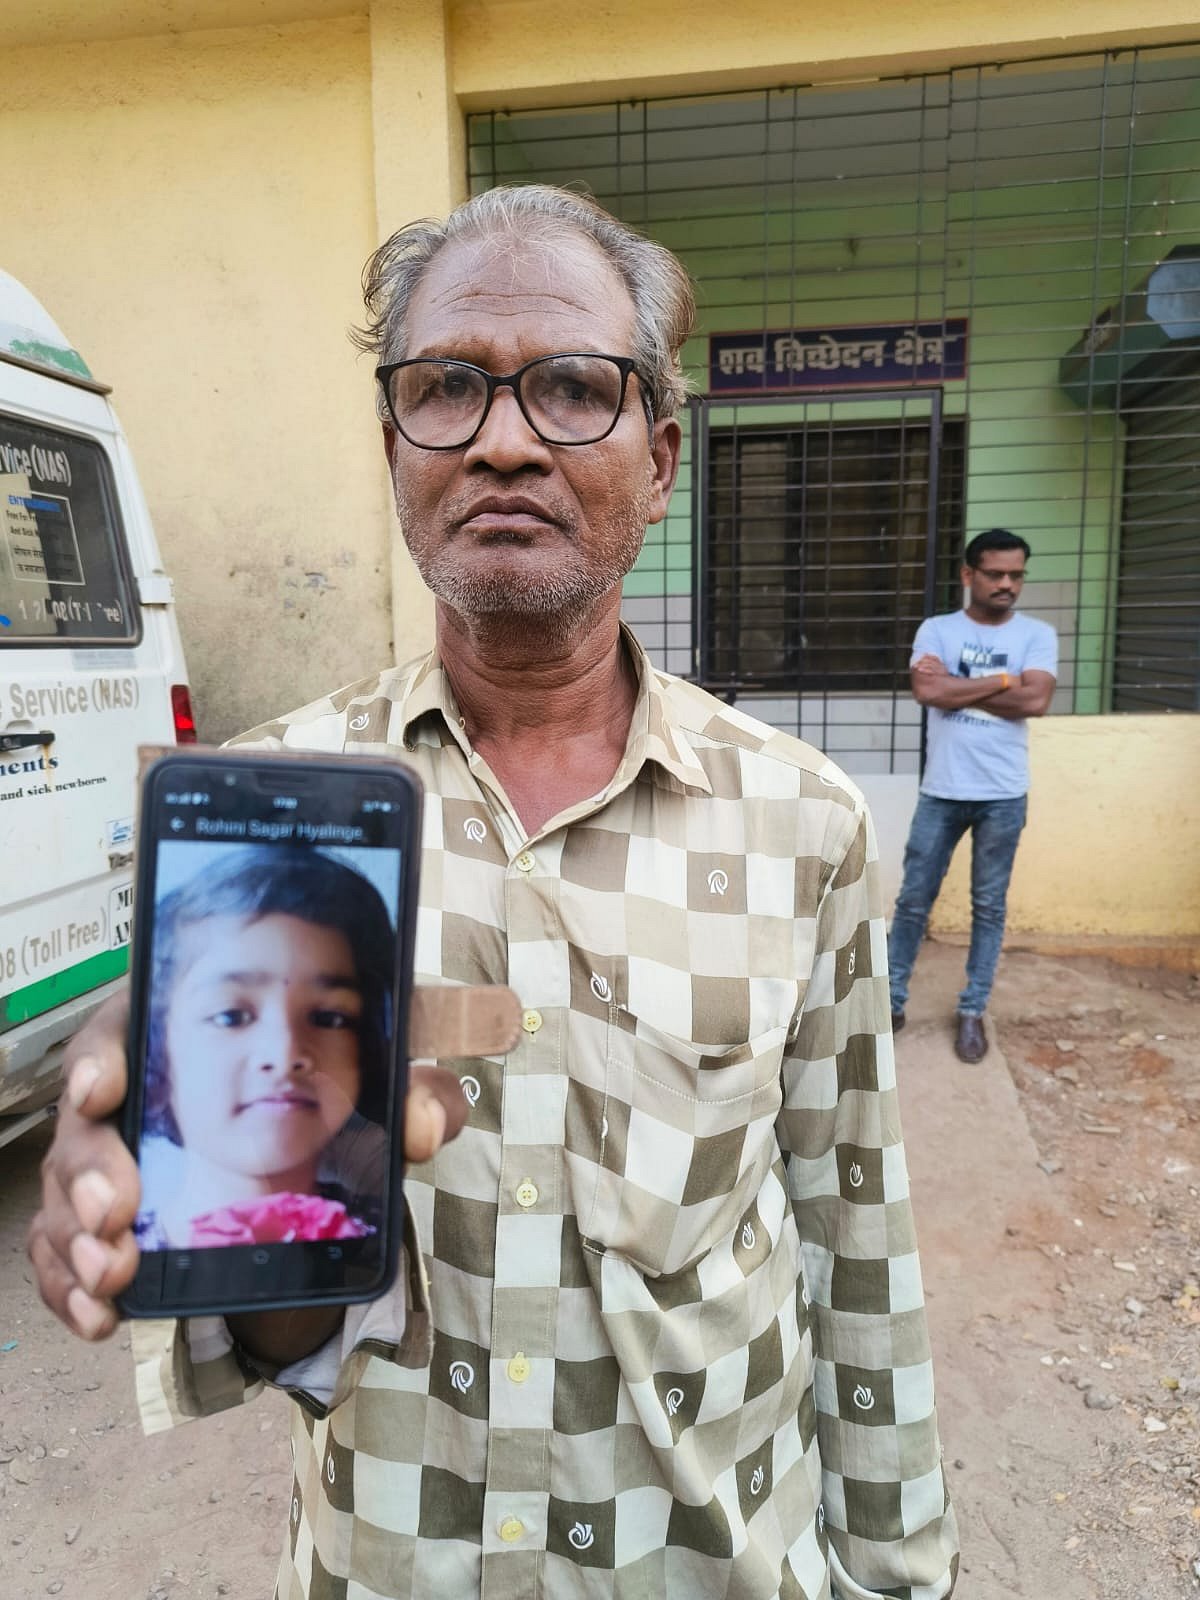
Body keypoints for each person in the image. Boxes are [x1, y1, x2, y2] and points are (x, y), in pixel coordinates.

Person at [30, 185, 959, 1599]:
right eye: (448, 387)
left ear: (660, 457)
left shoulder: (800, 822)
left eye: (573, 389)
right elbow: (282, 1344)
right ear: (395, 444)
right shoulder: (278, 818)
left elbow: (854, 1241)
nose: (505, 439)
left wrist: (900, 1571)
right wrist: (208, 1170)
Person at [135, 845, 393, 1248]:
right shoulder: (120, 1256)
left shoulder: (386, 1237)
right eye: (230, 1016)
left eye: (328, 1018)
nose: (285, 1054)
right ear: (158, 1046)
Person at [888, 529, 1058, 1064]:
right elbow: (928, 691)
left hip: (1003, 795)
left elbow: (1039, 700)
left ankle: (971, 1010)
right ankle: (890, 1002)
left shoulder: (1038, 633)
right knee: (914, 900)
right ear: (969, 575)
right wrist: (1006, 682)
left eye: (1016, 575)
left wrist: (965, 686)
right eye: (996, 574)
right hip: (942, 791)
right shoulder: (937, 629)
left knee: (989, 906)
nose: (1008, 584)